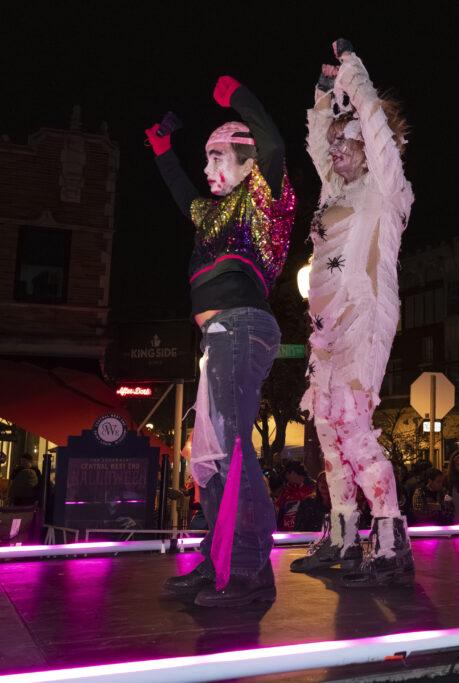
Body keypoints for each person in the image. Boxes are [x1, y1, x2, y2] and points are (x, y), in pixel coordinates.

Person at [148, 75, 293, 606]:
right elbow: (180, 190)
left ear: (248, 164)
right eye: (205, 160)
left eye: (217, 158)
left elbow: (273, 143)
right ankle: (219, 560)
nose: (207, 170)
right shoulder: (210, 214)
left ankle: (251, 569)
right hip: (218, 335)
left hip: (243, 325)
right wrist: (162, 151)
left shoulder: (263, 196)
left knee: (232, 446)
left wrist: (237, 98)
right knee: (207, 458)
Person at [291, 39, 416, 587]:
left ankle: (390, 539)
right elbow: (319, 146)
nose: (337, 148)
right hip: (325, 330)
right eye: (335, 141)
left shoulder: (386, 189)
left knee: (352, 423)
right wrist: (323, 95)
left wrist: (353, 72)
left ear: (369, 146)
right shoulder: (332, 190)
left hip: (365, 316)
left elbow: (375, 126)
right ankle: (343, 533)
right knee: (325, 424)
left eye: (348, 140)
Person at [277, 461, 316, 531]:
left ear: (293, 473)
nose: (286, 477)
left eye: (287, 474)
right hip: (288, 534)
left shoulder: (313, 488)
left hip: (307, 534)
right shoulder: (286, 490)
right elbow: (280, 514)